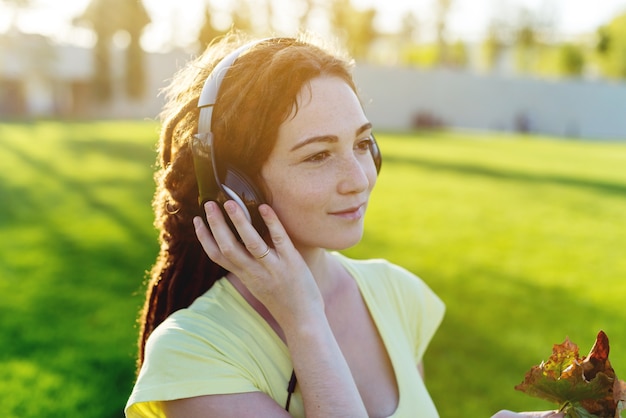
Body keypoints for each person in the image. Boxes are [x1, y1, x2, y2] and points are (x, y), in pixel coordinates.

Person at [125, 32, 562, 418]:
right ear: (234, 187)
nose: (359, 180)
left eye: (362, 143)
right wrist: (304, 318)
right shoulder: (194, 354)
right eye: (318, 155)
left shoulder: (395, 294)